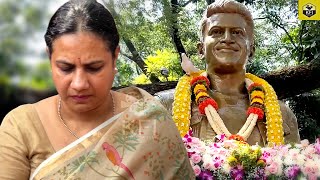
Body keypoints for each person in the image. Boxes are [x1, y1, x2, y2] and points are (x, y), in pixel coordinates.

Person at [0, 0, 195, 179]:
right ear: (49, 58)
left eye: (94, 68)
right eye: (65, 68)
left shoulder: (151, 122)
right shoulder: (22, 127)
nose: (79, 83)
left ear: (115, 57)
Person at [156, 0, 300, 146]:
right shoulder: (165, 105)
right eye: (216, 32)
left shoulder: (282, 114)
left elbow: (295, 167)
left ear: (251, 50)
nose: (227, 39)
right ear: (201, 49)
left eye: (237, 33)